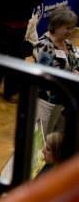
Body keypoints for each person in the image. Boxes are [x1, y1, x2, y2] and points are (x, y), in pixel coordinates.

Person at [33, 8, 79, 136]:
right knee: (38, 138)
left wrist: (75, 70)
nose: (70, 31)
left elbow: (75, 63)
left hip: (61, 99)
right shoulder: (43, 45)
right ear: (56, 25)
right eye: (67, 28)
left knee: (51, 137)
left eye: (72, 28)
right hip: (45, 100)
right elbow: (45, 73)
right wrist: (70, 75)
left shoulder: (68, 44)